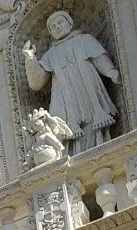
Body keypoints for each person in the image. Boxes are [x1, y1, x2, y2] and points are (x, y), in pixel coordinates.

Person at [23, 10, 120, 153]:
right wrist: (30, 59)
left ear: (70, 23)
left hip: (87, 90)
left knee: (93, 123)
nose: (58, 27)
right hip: (64, 98)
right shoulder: (50, 55)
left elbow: (99, 58)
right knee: (68, 130)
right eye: (53, 27)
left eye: (60, 22)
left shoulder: (84, 40)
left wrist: (110, 71)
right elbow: (37, 82)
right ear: (50, 33)